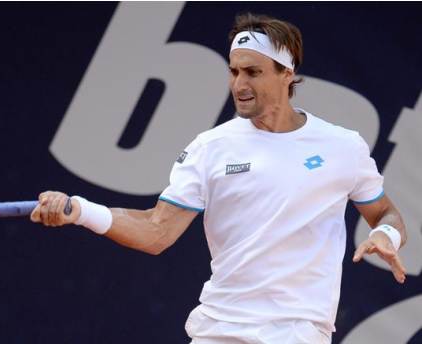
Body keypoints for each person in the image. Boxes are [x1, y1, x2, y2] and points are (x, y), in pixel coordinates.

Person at [30, 12, 407, 344]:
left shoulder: (342, 146)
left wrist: (385, 234)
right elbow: (157, 232)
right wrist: (80, 210)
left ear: (286, 74)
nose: (239, 84)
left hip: (296, 332)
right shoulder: (210, 148)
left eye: (253, 72)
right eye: (234, 71)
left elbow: (386, 214)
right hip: (218, 329)